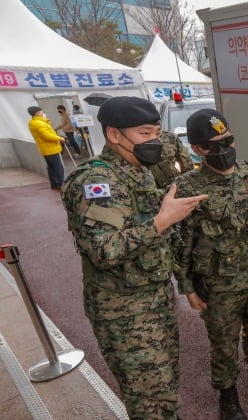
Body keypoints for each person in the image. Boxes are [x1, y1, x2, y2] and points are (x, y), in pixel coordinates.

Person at [60, 96, 208, 419]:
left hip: (154, 300)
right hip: (125, 314)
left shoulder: (137, 171)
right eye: (145, 133)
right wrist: (162, 221)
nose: (154, 141)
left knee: (163, 388)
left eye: (156, 131)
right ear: (114, 135)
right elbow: (104, 250)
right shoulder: (96, 181)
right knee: (147, 401)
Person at [173, 108, 248, 420]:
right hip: (218, 283)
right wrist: (187, 287)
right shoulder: (187, 187)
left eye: (228, 141)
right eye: (214, 146)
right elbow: (181, 241)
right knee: (224, 342)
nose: (224, 150)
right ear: (198, 149)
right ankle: (228, 396)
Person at [27, 105, 65, 190]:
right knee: (58, 167)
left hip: (45, 149)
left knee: (51, 167)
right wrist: (60, 138)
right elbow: (47, 136)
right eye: (41, 111)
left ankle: (54, 183)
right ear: (37, 113)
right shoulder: (39, 123)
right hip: (51, 148)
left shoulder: (33, 122)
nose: (43, 113)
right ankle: (62, 183)